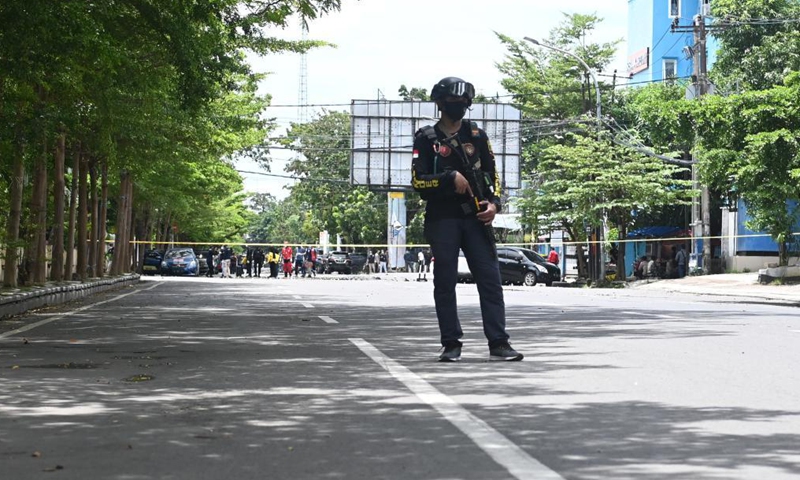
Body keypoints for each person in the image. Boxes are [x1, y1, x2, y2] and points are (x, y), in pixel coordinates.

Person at [411, 76, 523, 362]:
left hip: (477, 218)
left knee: (490, 280)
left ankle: (498, 342)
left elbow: (493, 175)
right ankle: (451, 343)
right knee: (445, 282)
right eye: (452, 103)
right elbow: (417, 181)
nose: (457, 108)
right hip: (443, 219)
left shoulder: (477, 136)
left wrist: (495, 205)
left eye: (462, 104)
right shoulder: (426, 138)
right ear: (439, 104)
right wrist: (449, 179)